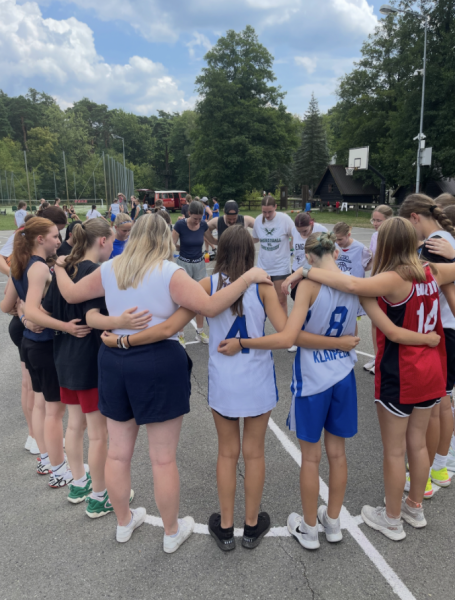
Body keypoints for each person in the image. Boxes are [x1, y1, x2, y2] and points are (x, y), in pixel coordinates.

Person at [54, 213, 272, 550]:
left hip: (114, 361)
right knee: (162, 458)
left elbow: (70, 296)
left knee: (117, 454)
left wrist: (57, 264)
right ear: (165, 238)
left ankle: (124, 522)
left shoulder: (111, 268)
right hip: (156, 360)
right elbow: (212, 306)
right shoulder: (170, 272)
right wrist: (248, 279)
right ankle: (171, 532)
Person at [283, 217, 455, 541]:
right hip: (434, 368)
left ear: (386, 244)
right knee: (417, 444)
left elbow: (353, 288)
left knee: (393, 450)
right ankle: (414, 507)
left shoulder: (392, 279)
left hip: (402, 369)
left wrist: (304, 271)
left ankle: (390, 518)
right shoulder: (433, 272)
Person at [41, 219, 150, 514]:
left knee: (75, 426)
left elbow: (43, 309)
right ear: (102, 241)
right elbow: (93, 313)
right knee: (99, 433)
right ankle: (100, 495)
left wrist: (62, 325)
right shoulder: (97, 273)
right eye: (113, 240)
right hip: (89, 359)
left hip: (63, 356)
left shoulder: (69, 269)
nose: (114, 246)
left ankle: (79, 482)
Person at [2, 218, 91, 487]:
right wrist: (64, 325)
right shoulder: (39, 268)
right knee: (55, 411)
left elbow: (13, 306)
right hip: (41, 345)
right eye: (54, 236)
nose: (58, 240)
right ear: (39, 239)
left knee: (42, 404)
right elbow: (29, 308)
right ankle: (58, 468)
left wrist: (25, 315)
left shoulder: (18, 262)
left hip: (30, 343)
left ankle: (47, 458)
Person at [399, 194, 455, 495]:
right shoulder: (443, 239)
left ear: (415, 218)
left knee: (433, 409)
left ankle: (426, 477)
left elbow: (436, 285)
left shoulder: (435, 245)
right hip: (446, 330)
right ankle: (440, 467)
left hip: (442, 331)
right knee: (443, 404)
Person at [172, 201, 212, 346]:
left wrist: (223, 242)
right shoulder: (180, 225)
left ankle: (200, 332)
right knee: (182, 299)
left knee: (201, 298)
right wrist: (179, 249)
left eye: (200, 218)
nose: (197, 221)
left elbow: (212, 239)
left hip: (200, 265)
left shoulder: (203, 225)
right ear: (189, 214)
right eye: (195, 218)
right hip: (184, 264)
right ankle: (180, 334)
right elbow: (171, 244)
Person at [363, 205, 394, 374]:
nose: (375, 223)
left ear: (389, 220)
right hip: (375, 281)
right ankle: (377, 356)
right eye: (373, 220)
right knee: (375, 322)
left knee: (388, 322)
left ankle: (386, 359)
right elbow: (373, 260)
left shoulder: (395, 236)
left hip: (389, 283)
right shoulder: (375, 236)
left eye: (378, 220)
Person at [289, 212, 327, 301]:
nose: (302, 234)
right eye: (299, 231)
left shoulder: (320, 230)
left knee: (313, 299)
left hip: (314, 271)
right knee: (296, 297)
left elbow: (330, 249)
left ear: (311, 223)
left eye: (305, 231)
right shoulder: (294, 230)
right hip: (298, 269)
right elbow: (293, 244)